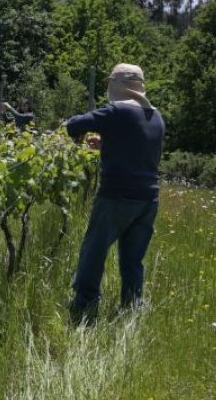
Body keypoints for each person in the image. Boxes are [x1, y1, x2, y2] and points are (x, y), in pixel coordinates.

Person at [64, 64, 164, 324]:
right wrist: (107, 144)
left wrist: (76, 129)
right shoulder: (156, 116)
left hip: (118, 196)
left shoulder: (117, 111)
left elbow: (75, 124)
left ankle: (84, 307)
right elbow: (139, 151)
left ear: (116, 86)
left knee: (94, 250)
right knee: (132, 260)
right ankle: (132, 309)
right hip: (149, 199)